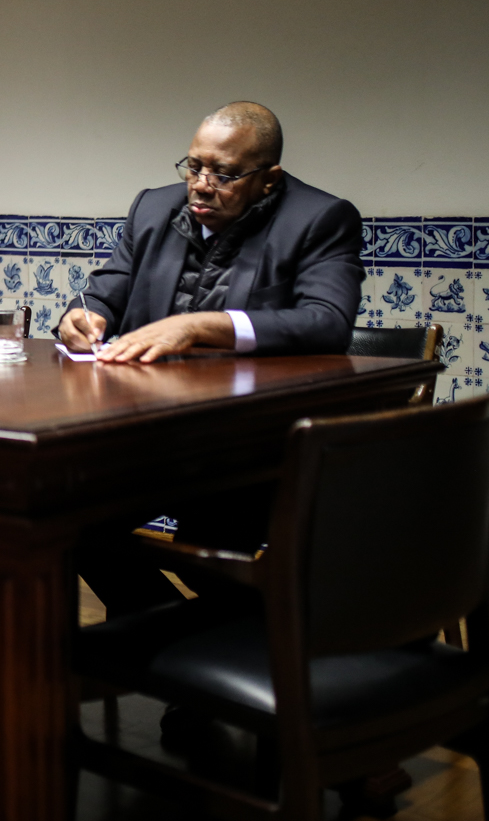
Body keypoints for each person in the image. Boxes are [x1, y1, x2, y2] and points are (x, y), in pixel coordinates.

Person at [60, 100, 364, 616]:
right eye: (194, 166)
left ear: (269, 179)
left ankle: (221, 656)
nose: (201, 184)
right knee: (61, 517)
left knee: (214, 535)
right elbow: (104, 290)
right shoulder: (153, 208)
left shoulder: (319, 219)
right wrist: (79, 315)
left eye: (224, 174)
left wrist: (200, 326)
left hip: (252, 445)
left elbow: (328, 322)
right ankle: (169, 640)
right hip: (147, 435)